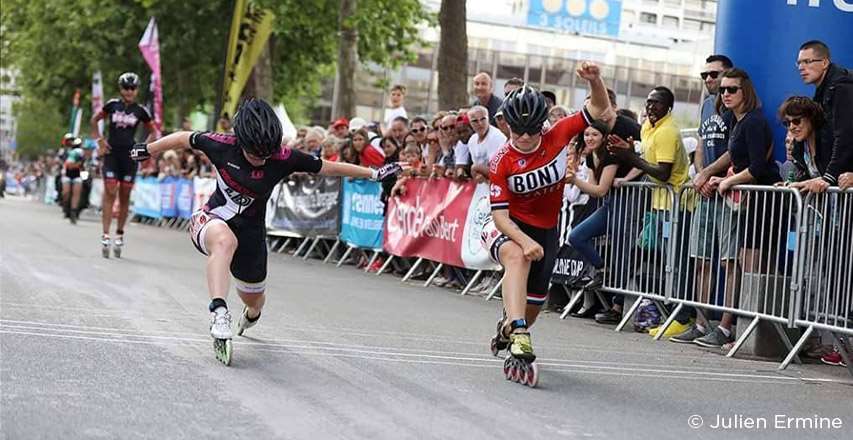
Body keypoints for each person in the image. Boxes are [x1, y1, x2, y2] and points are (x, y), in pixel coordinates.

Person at [128, 98, 403, 365]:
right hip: (211, 218)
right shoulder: (221, 144)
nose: (261, 160)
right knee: (224, 241)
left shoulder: (282, 157)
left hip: (252, 233)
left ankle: (252, 311)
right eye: (254, 154)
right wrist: (149, 149)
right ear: (241, 142)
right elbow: (183, 138)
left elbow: (327, 167)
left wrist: (374, 174)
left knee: (254, 298)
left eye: (265, 155)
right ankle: (219, 312)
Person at [483, 63, 613, 384]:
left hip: (546, 229)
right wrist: (524, 241)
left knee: (536, 302)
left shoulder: (557, 134)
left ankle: (510, 326)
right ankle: (518, 333)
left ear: (541, 125)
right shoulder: (501, 161)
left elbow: (599, 108)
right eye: (517, 131)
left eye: (531, 130)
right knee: (517, 256)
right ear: (507, 127)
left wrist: (596, 80)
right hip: (508, 226)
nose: (525, 138)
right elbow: (499, 216)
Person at [685, 69, 782, 348]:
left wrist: (727, 181)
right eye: (723, 89)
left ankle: (733, 329)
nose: (726, 94)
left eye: (732, 89)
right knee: (741, 263)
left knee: (747, 266)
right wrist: (715, 177)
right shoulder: (738, 123)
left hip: (761, 204)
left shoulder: (753, 122)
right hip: (744, 200)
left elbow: (757, 166)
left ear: (745, 93)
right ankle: (730, 329)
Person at [90, 72, 157, 258]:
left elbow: (153, 132)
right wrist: (100, 141)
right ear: (120, 89)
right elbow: (95, 120)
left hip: (129, 158)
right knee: (110, 191)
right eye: (126, 88)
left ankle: (119, 234)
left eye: (132, 88)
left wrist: (144, 148)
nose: (129, 91)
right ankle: (105, 234)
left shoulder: (141, 111)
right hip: (111, 155)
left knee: (125, 195)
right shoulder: (112, 105)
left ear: (136, 90)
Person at [791, 40, 853, 193]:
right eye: (798, 63)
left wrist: (829, 177)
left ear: (825, 62)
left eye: (807, 61)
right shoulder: (822, 92)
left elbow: (845, 135)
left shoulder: (842, 87)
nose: (801, 68)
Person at [60, 134, 85, 224]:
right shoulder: (64, 151)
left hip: (77, 175)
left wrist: (77, 165)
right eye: (68, 140)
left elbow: (82, 162)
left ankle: (73, 213)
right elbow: (64, 162)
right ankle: (65, 207)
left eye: (72, 140)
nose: (70, 142)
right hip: (66, 174)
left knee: (76, 194)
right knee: (66, 193)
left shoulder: (79, 151)